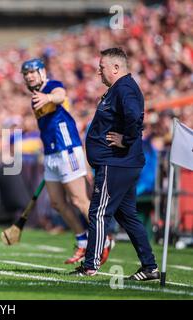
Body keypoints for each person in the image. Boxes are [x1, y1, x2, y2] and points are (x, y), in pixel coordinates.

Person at [71, 48, 159, 281]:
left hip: (116, 163)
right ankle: (150, 267)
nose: (99, 72)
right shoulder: (117, 89)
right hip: (117, 163)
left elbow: (134, 116)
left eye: (102, 68)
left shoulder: (125, 88)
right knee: (128, 216)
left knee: (99, 213)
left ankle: (90, 265)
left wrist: (127, 139)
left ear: (116, 68)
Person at [21, 58, 113, 265]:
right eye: (26, 74)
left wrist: (48, 97)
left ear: (43, 72)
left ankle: (104, 240)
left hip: (67, 149)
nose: (29, 76)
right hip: (51, 153)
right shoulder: (34, 97)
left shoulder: (51, 86)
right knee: (57, 203)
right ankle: (82, 240)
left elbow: (60, 95)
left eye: (33, 72)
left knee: (79, 200)